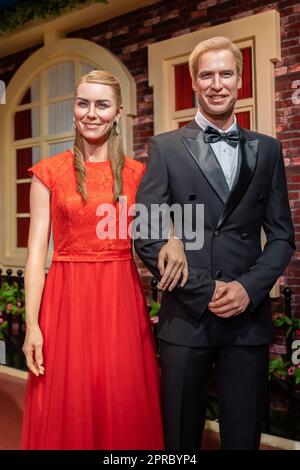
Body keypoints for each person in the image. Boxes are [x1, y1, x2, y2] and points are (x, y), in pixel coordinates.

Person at [134, 36, 295, 450]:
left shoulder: (269, 150)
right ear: (194, 82)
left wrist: (247, 288)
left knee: (243, 440)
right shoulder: (165, 147)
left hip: (247, 319)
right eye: (207, 74)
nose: (217, 83)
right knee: (180, 441)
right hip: (187, 316)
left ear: (240, 80)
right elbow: (147, 232)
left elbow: (281, 237)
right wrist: (205, 291)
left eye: (226, 73)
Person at [21, 70, 187, 450]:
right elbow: (35, 256)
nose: (91, 113)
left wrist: (176, 237)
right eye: (83, 103)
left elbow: (160, 231)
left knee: (121, 401)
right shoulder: (48, 173)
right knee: (68, 403)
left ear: (117, 113)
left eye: (101, 104)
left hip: (119, 303)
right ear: (74, 109)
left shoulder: (138, 175)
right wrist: (32, 324)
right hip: (65, 305)